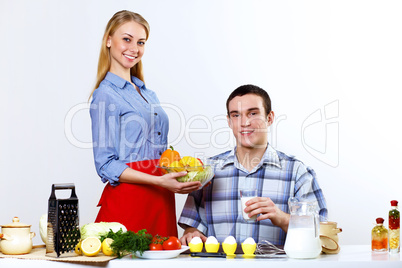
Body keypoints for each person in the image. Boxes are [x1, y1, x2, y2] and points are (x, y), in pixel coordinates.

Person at [89, 10, 201, 237]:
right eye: (127, 39)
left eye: (141, 42)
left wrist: (180, 173)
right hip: (130, 198)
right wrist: (159, 181)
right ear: (108, 40)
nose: (134, 48)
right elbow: (105, 165)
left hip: (161, 197)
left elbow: (156, 152)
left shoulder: (149, 94)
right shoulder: (105, 95)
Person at [178, 84, 327, 246]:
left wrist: (282, 218)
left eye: (253, 113)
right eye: (236, 115)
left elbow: (322, 233)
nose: (244, 122)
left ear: (269, 118)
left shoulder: (297, 172)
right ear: (229, 121)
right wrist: (192, 234)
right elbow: (193, 227)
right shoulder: (207, 170)